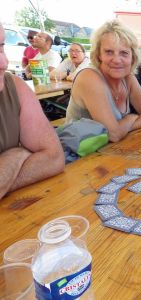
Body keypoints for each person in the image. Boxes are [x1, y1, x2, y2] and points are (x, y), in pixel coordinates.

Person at [0, 23, 65, 200]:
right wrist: (17, 155)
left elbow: (54, 158)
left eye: (1, 46)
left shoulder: (13, 86)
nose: (4, 63)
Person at [65, 20, 141, 142]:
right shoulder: (89, 77)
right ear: (99, 55)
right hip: (77, 154)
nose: (117, 60)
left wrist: (122, 127)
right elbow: (113, 134)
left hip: (110, 152)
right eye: (109, 52)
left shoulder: (128, 78)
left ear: (133, 57)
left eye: (124, 53)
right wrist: (131, 118)